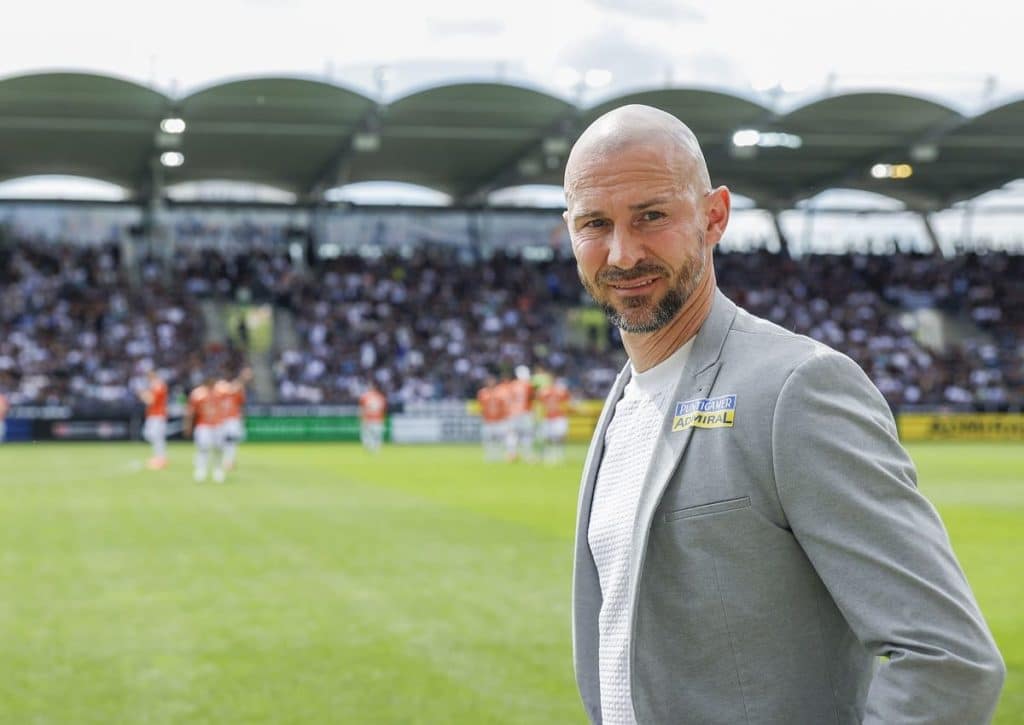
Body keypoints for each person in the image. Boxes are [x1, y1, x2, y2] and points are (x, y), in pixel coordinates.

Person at [564, 105, 1004, 724]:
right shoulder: (623, 405)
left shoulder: (797, 389)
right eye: (595, 223)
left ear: (714, 216)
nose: (623, 252)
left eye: (652, 216)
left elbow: (949, 660)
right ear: (569, 232)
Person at [184, 375, 225, 483]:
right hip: (203, 424)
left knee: (219, 448)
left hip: (217, 424)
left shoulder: (220, 391)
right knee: (203, 447)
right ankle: (201, 470)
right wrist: (188, 425)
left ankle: (218, 470)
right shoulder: (198, 394)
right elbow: (190, 411)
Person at [216, 367, 252, 472]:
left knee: (231, 441)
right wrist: (242, 380)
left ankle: (229, 461)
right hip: (223, 418)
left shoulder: (236, 388)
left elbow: (241, 404)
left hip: (232, 418)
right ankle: (225, 460)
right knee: (223, 441)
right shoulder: (221, 387)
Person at [536, 375, 572, 464]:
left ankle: (560, 453)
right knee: (546, 437)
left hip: (559, 416)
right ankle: (547, 454)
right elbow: (539, 403)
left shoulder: (560, 391)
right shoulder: (544, 392)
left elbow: (567, 402)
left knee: (560, 437)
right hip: (548, 417)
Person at [138, 370, 169, 469]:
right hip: (155, 415)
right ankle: (160, 458)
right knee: (155, 437)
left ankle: (160, 459)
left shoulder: (158, 386)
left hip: (157, 415)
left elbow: (151, 401)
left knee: (155, 437)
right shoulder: (155, 385)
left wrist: (142, 394)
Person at [476, 375, 507, 462]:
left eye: (492, 381)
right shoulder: (482, 392)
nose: (490, 383)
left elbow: (504, 406)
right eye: (489, 381)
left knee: (500, 439)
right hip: (488, 420)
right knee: (488, 439)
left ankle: (499, 455)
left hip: (499, 420)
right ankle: (489, 455)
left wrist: (504, 417)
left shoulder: (500, 392)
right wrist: (481, 416)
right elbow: (480, 406)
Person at [358, 380, 387, 453]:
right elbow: (383, 409)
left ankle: (369, 448)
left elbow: (362, 408)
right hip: (377, 418)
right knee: (377, 435)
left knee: (367, 434)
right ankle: (376, 448)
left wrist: (361, 417)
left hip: (368, 418)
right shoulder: (380, 397)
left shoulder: (365, 396)